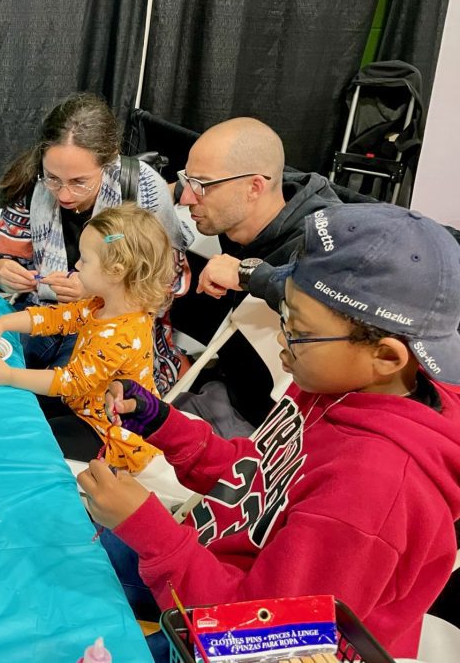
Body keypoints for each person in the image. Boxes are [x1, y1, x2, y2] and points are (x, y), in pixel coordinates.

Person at [79, 203, 460, 660]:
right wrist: (159, 422)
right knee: (62, 548)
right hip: (212, 569)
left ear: (386, 356)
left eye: (297, 329)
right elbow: (257, 477)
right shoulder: (334, 384)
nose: (281, 338)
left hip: (239, 634)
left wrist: (146, 525)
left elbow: (258, 640)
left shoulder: (371, 492)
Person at [0, 93, 192, 396]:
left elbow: (164, 283)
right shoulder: (34, 180)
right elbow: (8, 254)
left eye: (80, 181)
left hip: (109, 325)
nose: (64, 194)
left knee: (57, 399)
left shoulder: (142, 190)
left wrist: (98, 290)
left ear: (109, 159)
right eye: (54, 179)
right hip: (46, 311)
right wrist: (4, 268)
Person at [167, 117, 350, 435]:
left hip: (272, 423)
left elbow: (340, 305)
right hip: (224, 386)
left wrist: (248, 274)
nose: (187, 199)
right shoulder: (250, 201)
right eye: (189, 182)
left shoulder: (327, 240)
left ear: (254, 187)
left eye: (202, 186)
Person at [0, 203, 174, 469]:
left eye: (85, 260)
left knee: (26, 441)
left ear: (116, 271)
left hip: (109, 435)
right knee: (17, 411)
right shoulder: (100, 303)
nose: (76, 265)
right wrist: (4, 322)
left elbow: (70, 381)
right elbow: (55, 318)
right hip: (80, 407)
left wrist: (9, 375)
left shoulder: (121, 334)